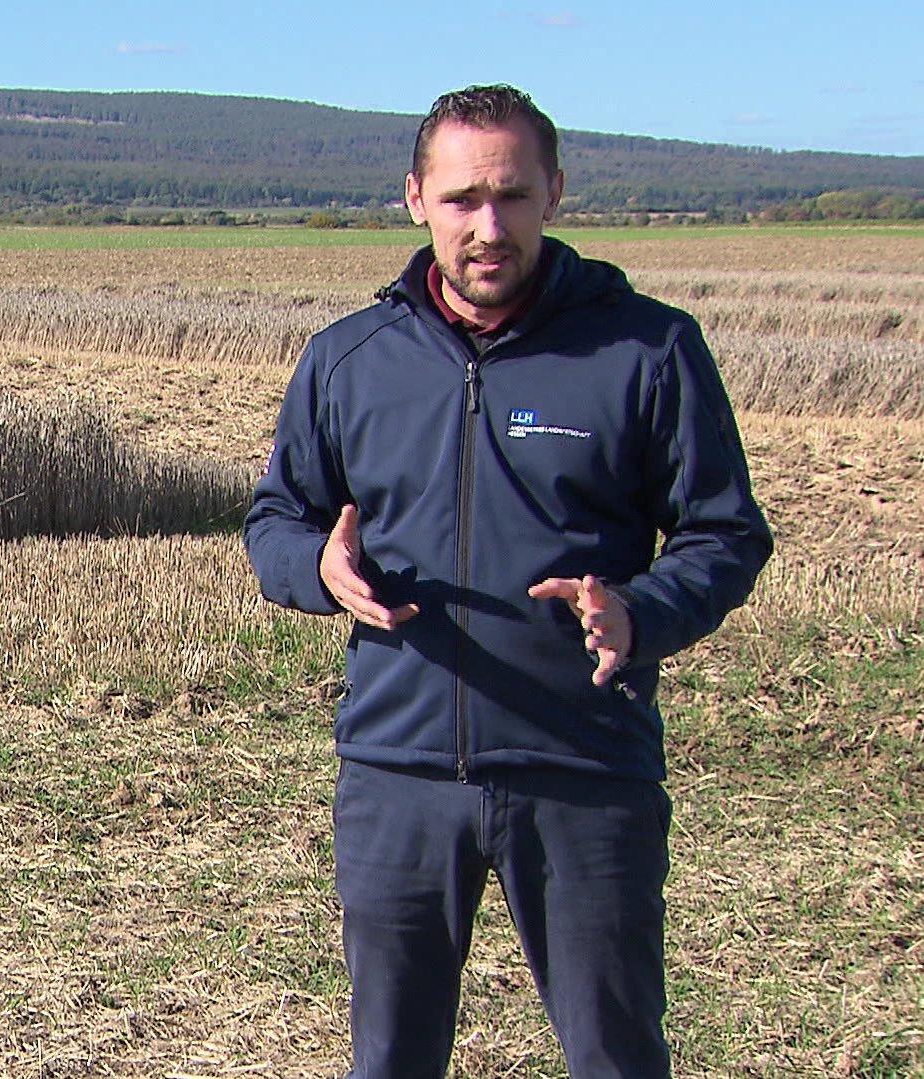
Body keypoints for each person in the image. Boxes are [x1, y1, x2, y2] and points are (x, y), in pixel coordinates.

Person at [243, 85, 771, 1078]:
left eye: (512, 196)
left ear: (554, 193)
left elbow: (724, 532)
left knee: (616, 1057)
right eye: (460, 199)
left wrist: (640, 611)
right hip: (395, 775)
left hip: (583, 771)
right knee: (389, 1058)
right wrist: (315, 566)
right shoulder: (347, 359)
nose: (488, 227)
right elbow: (275, 519)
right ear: (414, 199)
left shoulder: (645, 350)